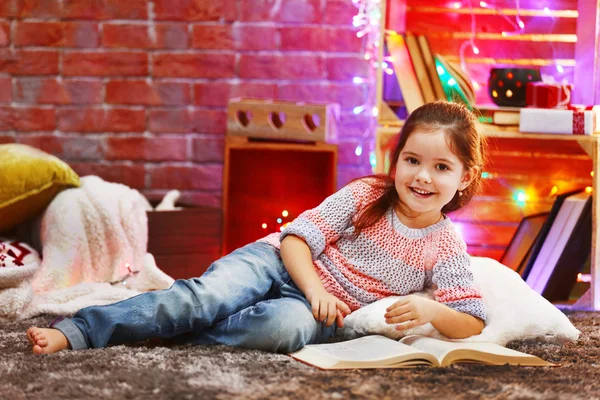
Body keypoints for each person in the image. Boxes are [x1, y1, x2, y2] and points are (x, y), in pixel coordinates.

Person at [27, 101, 487, 355]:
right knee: (204, 296)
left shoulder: (444, 246)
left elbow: (471, 318)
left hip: (319, 316)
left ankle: (170, 331)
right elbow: (295, 239)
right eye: (412, 160)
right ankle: (85, 329)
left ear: (464, 177)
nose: (422, 177)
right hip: (280, 264)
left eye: (441, 167)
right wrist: (316, 290)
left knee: (280, 331)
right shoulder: (367, 194)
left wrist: (431, 313)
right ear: (397, 158)